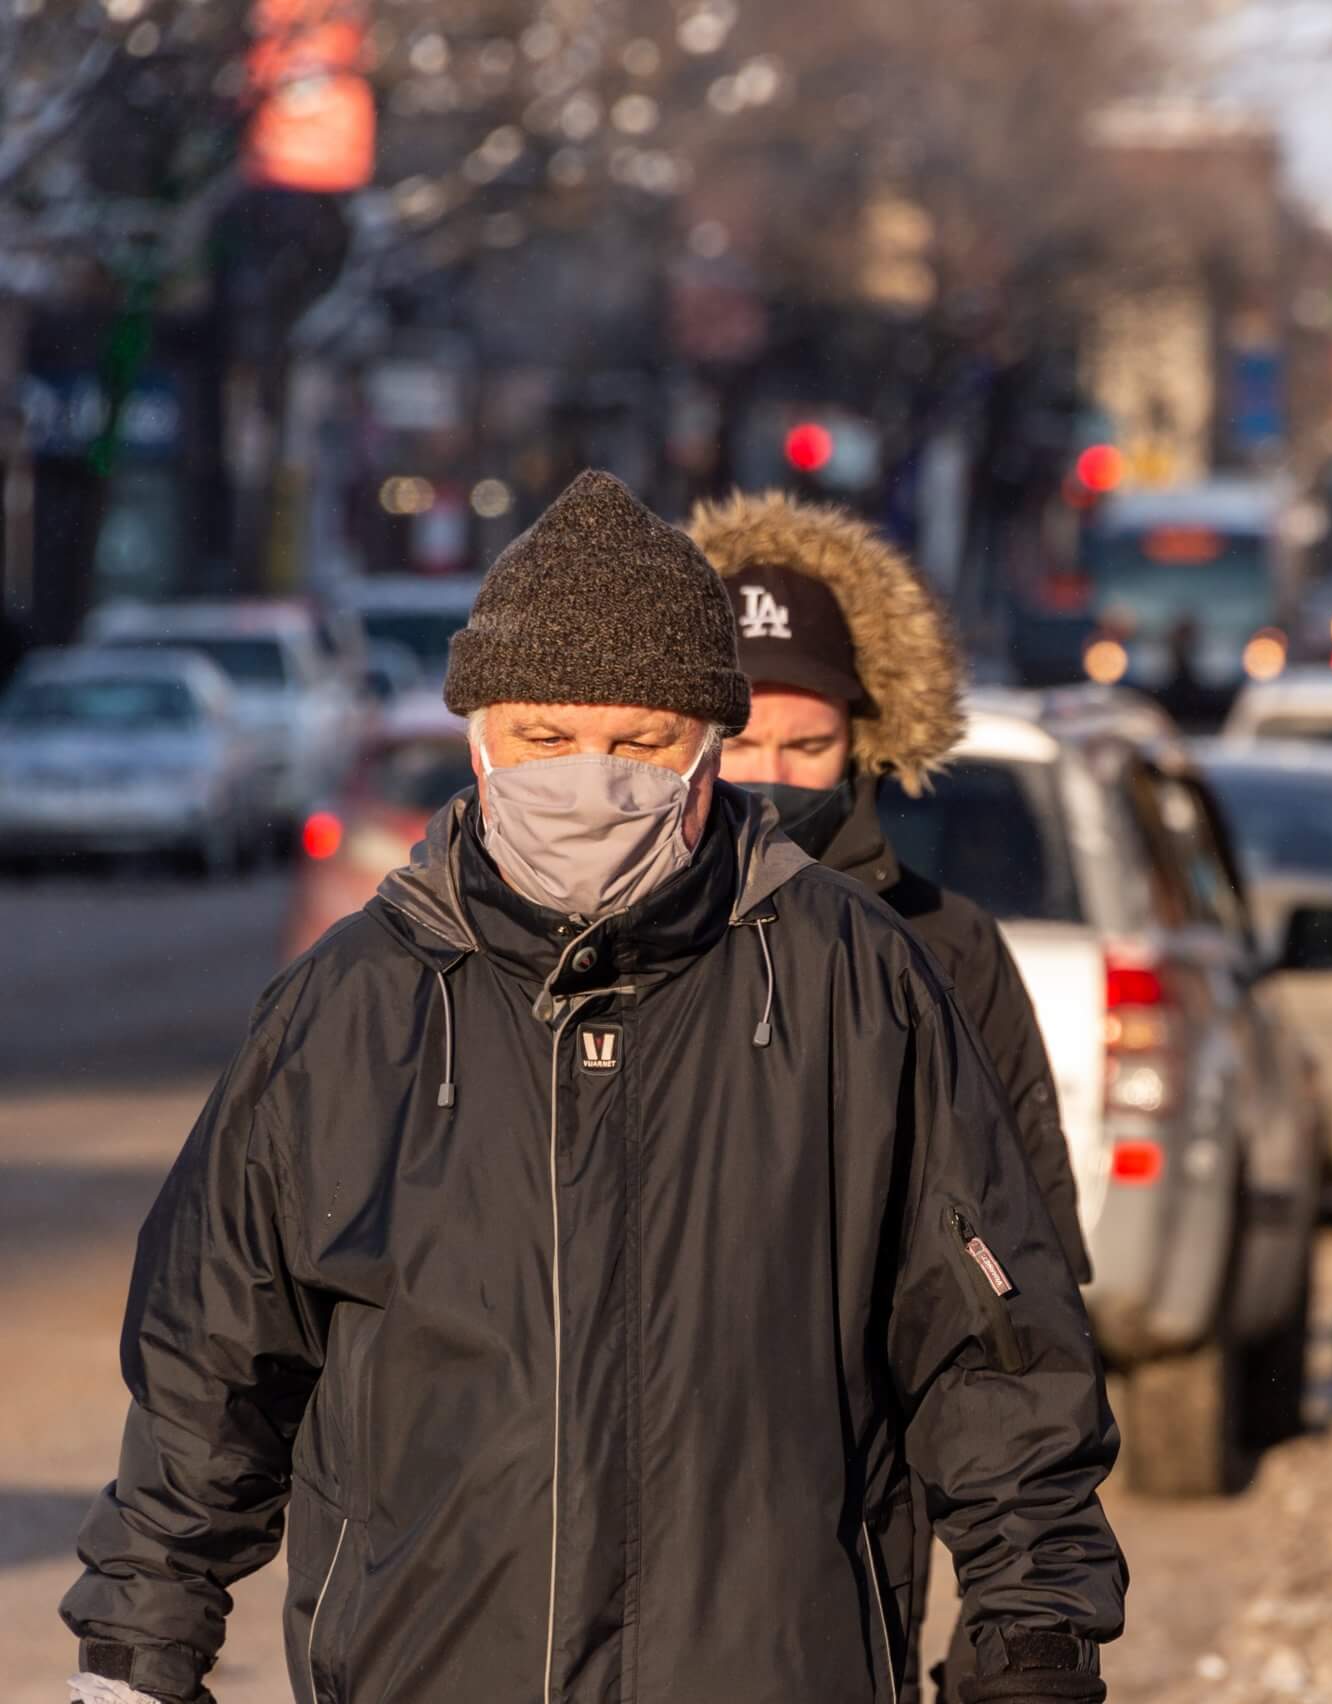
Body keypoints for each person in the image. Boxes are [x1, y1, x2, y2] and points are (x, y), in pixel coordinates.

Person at [61, 472, 1123, 1704]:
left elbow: (996, 1357)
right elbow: (207, 1372)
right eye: (546, 740)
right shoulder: (352, 1007)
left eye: (638, 743)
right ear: (479, 738)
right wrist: (136, 1659)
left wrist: (1032, 1649)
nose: (589, 781)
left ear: (708, 749)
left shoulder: (852, 983)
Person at [691, 489, 1093, 1704]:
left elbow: (1023, 1284)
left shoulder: (945, 948)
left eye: (804, 746)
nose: (768, 777)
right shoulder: (611, 939)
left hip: (854, 1502)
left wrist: (1012, 1622)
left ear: (863, 744)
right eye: (738, 742)